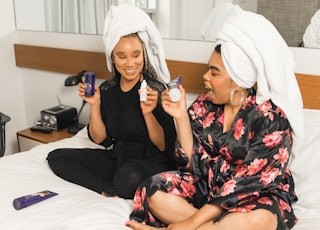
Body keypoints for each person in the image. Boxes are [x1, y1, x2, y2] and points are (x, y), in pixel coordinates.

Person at [125, 7, 304, 230]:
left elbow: (244, 185)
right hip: (208, 188)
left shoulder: (271, 120)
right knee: (154, 191)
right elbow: (189, 166)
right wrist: (181, 117)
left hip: (252, 195)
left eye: (214, 72)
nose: (205, 77)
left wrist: (190, 222)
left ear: (237, 78)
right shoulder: (203, 106)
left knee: (260, 220)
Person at [47, 4, 177, 199]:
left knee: (129, 176)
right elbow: (100, 139)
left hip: (150, 161)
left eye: (136, 55)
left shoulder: (155, 89)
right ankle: (106, 190)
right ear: (113, 59)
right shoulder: (108, 89)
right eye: (122, 57)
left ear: (143, 55)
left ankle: (117, 184)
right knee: (57, 157)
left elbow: (163, 146)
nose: (130, 63)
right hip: (119, 158)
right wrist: (95, 104)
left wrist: (148, 112)